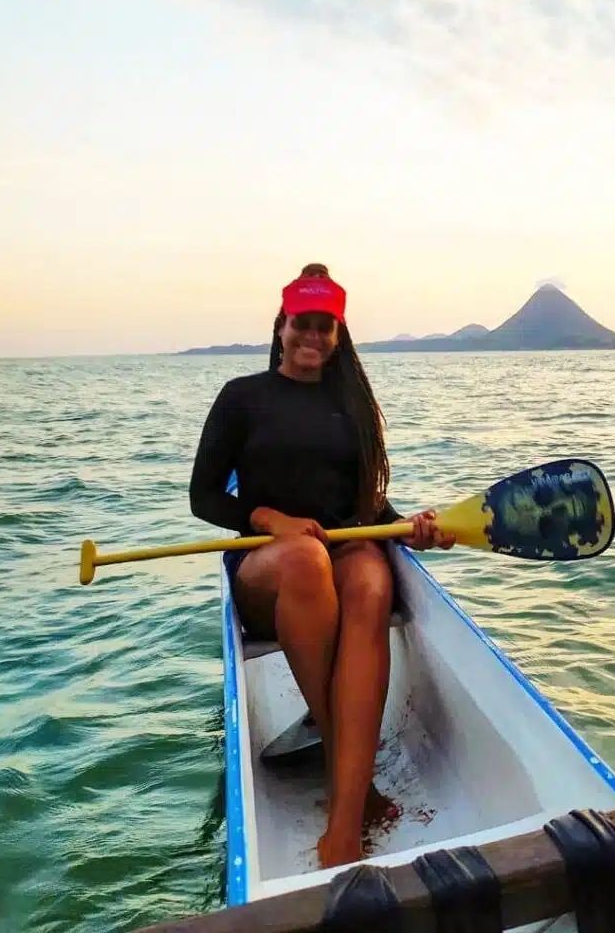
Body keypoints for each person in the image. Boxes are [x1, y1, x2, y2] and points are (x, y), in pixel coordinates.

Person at [188, 263, 455, 868]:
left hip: (344, 549)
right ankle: (353, 782)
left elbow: (368, 505)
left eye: (325, 328)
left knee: (368, 578)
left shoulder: (351, 405)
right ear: (281, 326)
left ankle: (344, 814)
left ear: (338, 335)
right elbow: (203, 497)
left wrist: (413, 528)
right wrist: (268, 520)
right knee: (308, 558)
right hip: (269, 565)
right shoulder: (242, 397)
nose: (312, 337)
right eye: (302, 325)